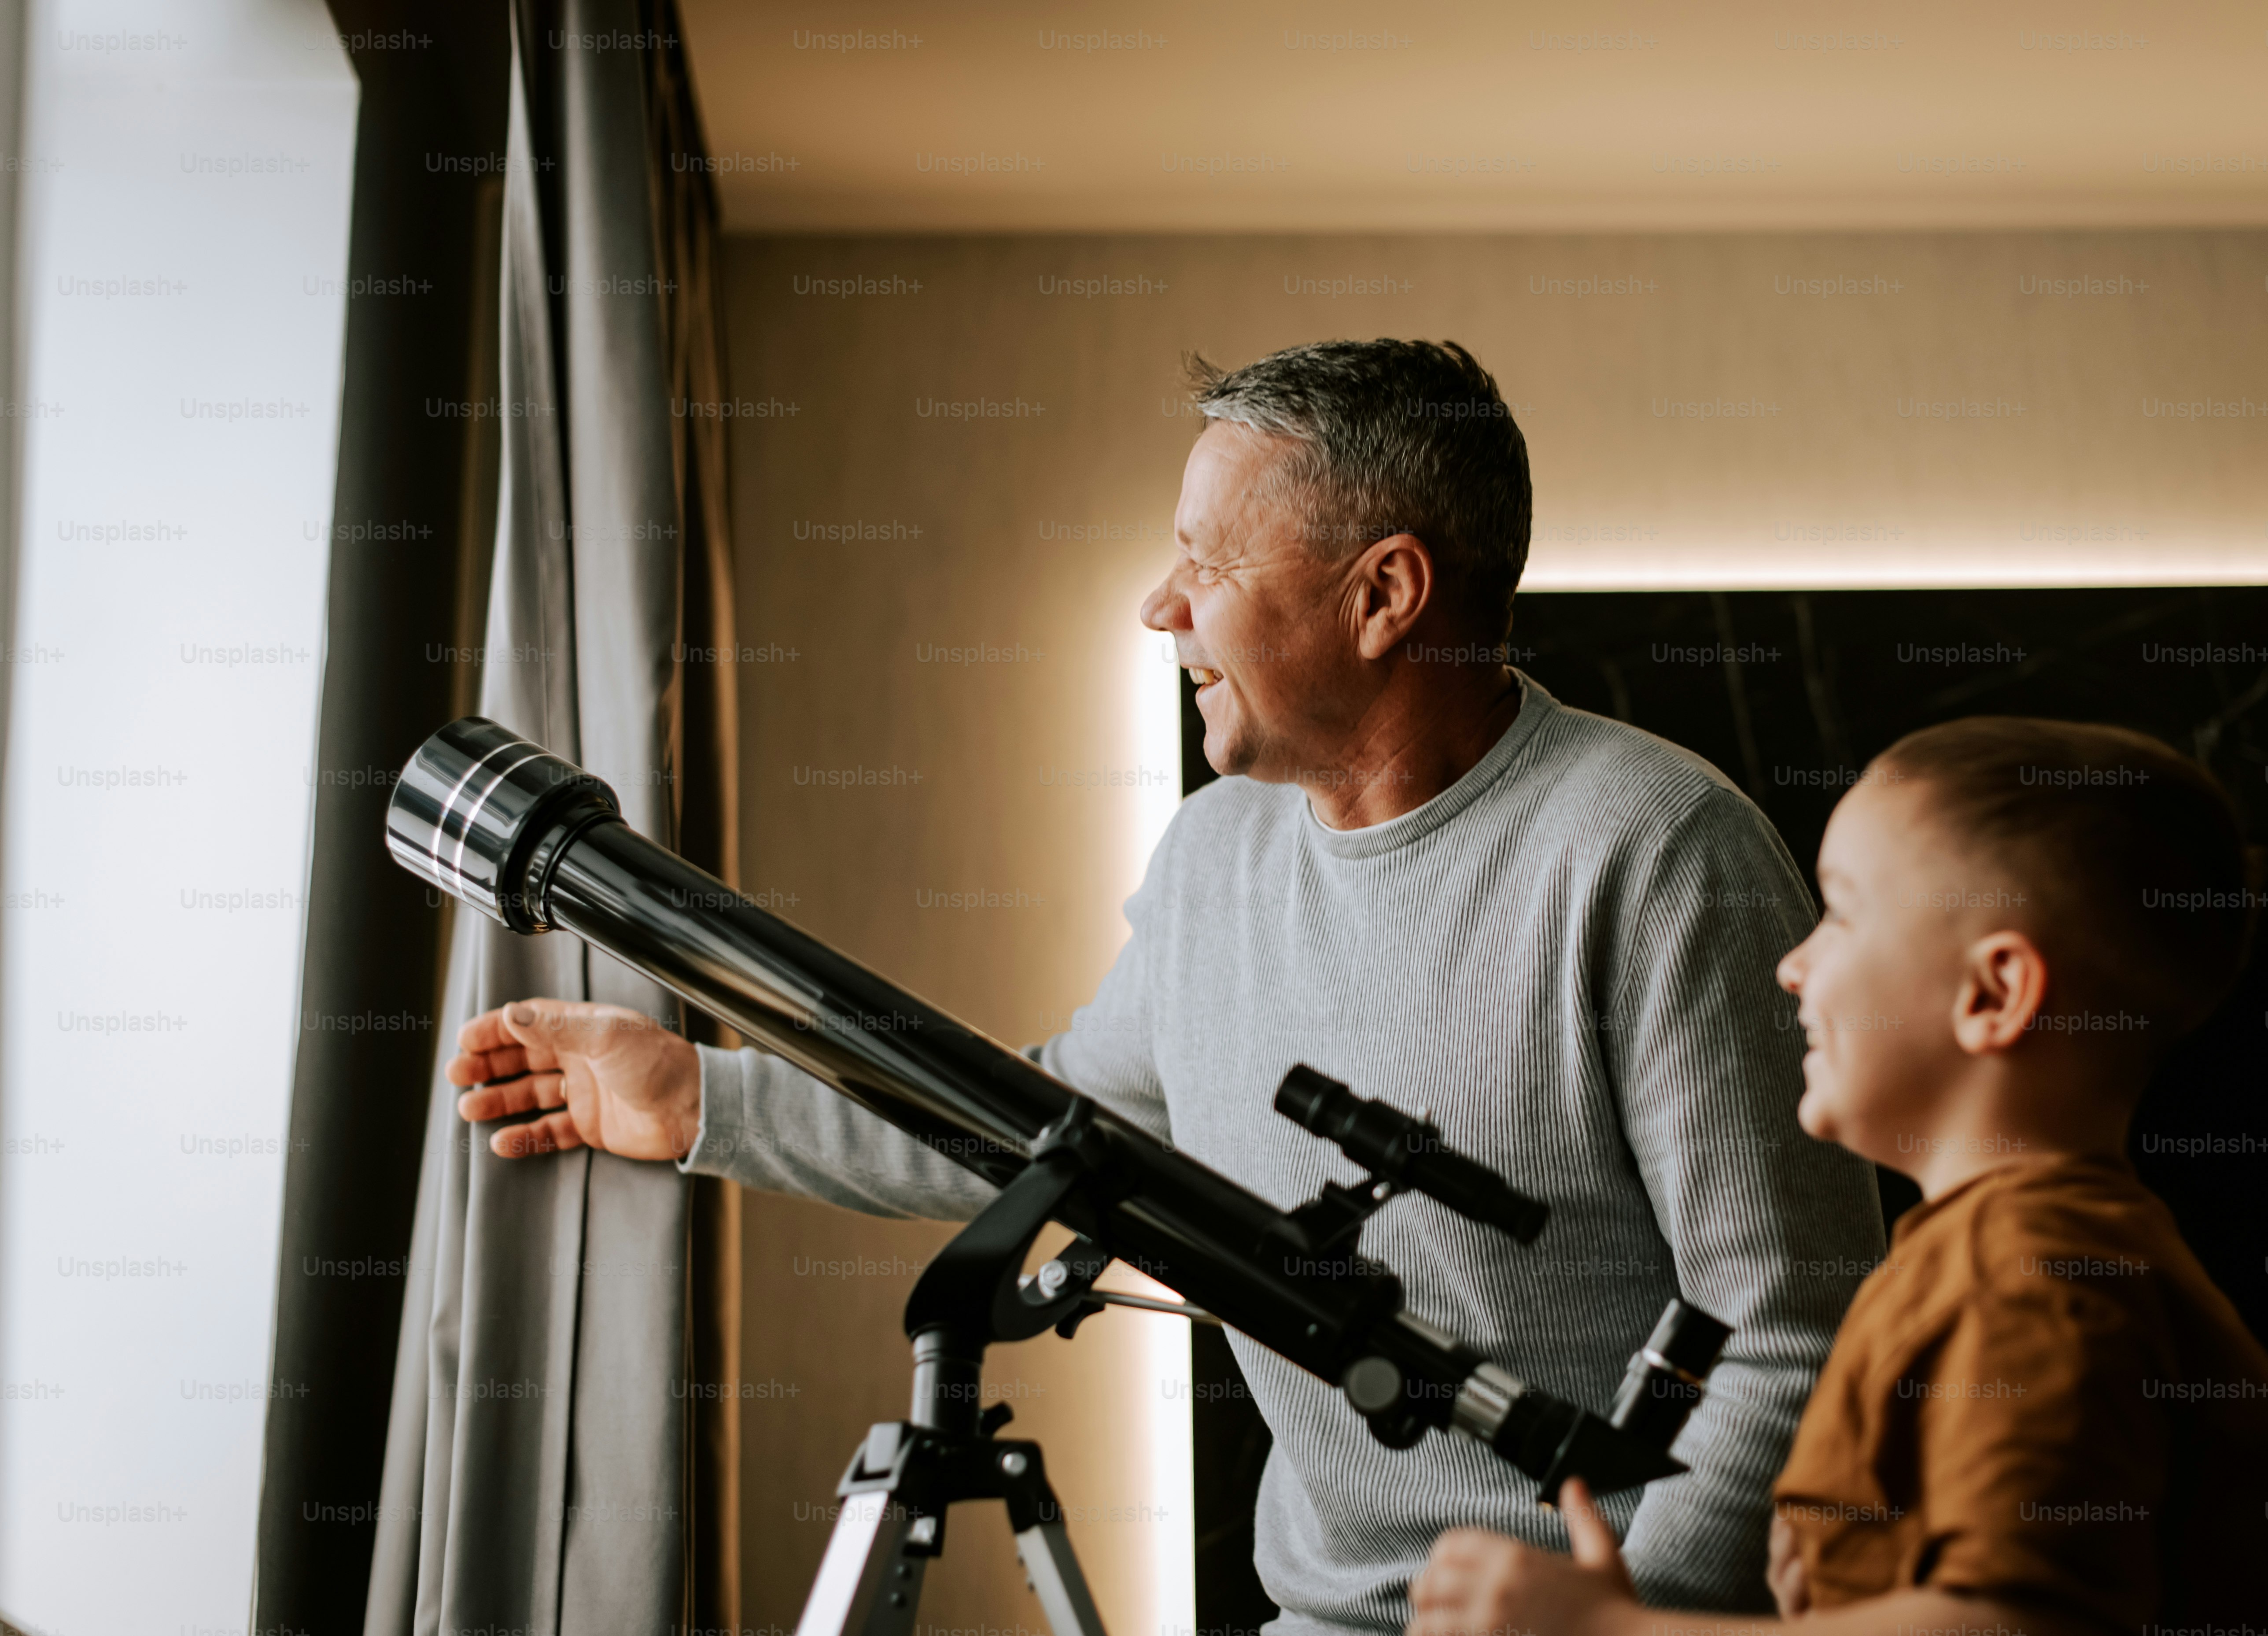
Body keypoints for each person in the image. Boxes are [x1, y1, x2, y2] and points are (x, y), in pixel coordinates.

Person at [445, 338, 1887, 1632]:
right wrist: (704, 1093)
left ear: (1383, 591)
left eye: (1204, 560)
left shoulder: (1652, 851)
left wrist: (1622, 1616)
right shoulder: (1214, 853)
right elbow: (1052, 1130)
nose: (1159, 606)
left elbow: (1792, 1319)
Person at [1406, 717, 2268, 1636]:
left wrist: (1613, 1633)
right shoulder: (1980, 1253)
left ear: (1992, 993)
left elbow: (2017, 1624)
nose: (1793, 966)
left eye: (1839, 914)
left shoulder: (2036, 1279)